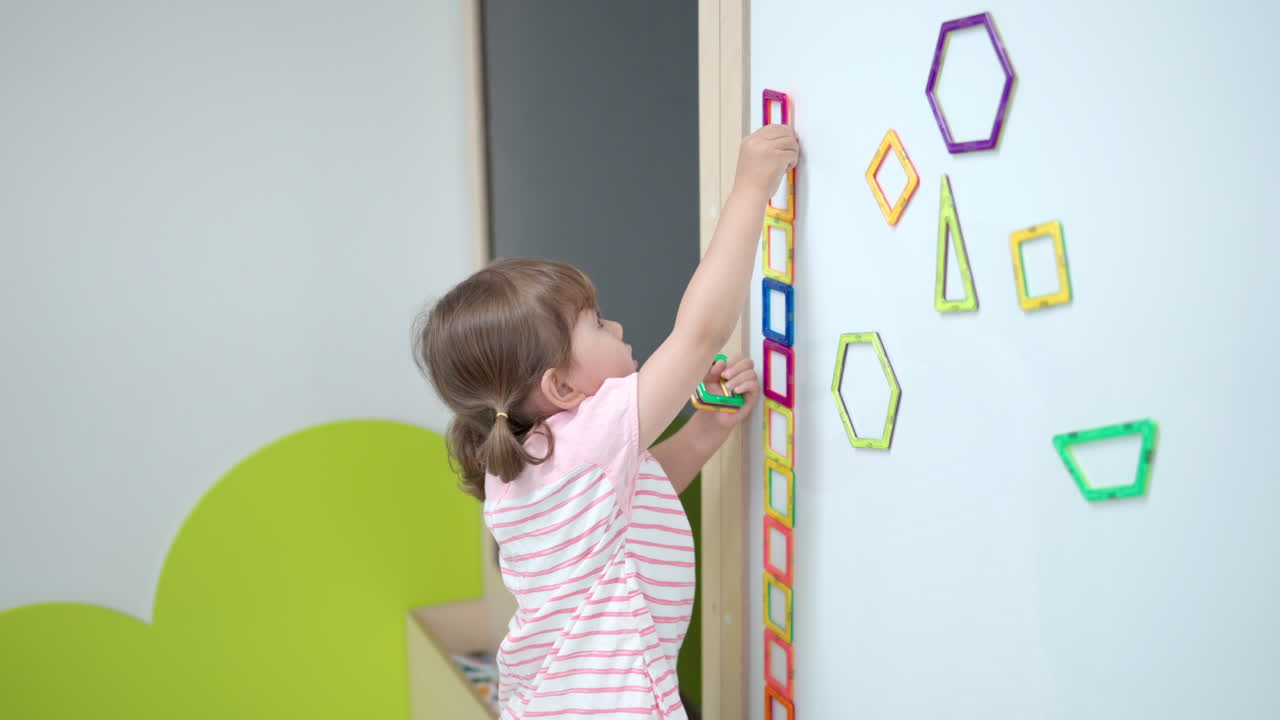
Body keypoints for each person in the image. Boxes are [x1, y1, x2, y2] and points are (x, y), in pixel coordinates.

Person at [413, 123, 799, 719]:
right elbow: (700, 334)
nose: (617, 329)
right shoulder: (587, 436)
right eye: (597, 324)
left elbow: (636, 498)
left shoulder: (528, 457)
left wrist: (704, 431)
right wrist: (751, 187)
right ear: (561, 387)